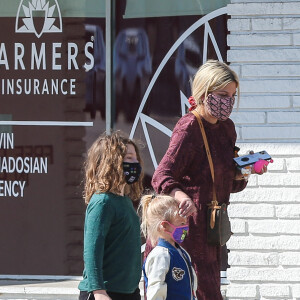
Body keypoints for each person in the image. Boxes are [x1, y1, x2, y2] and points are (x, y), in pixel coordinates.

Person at [150, 60, 268, 299]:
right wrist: (182, 196)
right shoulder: (189, 127)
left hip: (212, 230)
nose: (228, 102)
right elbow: (161, 175)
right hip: (187, 229)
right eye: (223, 94)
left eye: (232, 96)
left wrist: (247, 170)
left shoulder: (227, 128)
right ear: (204, 92)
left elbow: (227, 182)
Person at [78, 131, 144, 300]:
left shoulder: (125, 202)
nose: (135, 163)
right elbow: (92, 251)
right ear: (111, 162)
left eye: (135, 158)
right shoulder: (103, 202)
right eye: (129, 158)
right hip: (104, 293)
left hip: (128, 292)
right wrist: (98, 291)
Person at [140, 194, 197, 300]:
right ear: (165, 226)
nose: (185, 228)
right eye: (181, 224)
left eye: (185, 223)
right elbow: (156, 292)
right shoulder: (160, 256)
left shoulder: (182, 252)